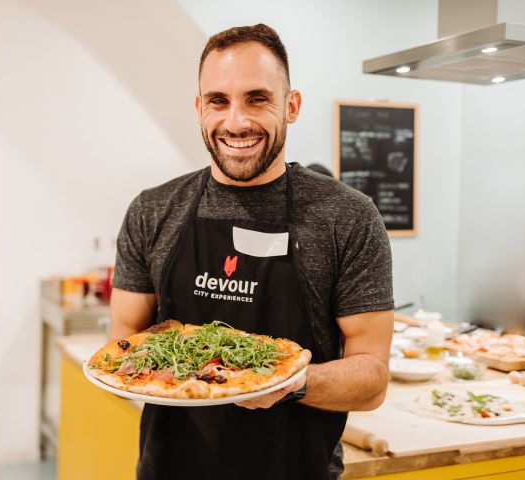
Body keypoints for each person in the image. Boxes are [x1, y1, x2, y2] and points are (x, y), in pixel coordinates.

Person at [110, 24, 394, 480]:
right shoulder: (153, 210)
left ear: (292, 106)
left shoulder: (349, 217)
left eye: (257, 99)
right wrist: (175, 376)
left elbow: (372, 379)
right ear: (200, 108)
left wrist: (288, 382)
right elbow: (124, 339)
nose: (236, 121)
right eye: (218, 101)